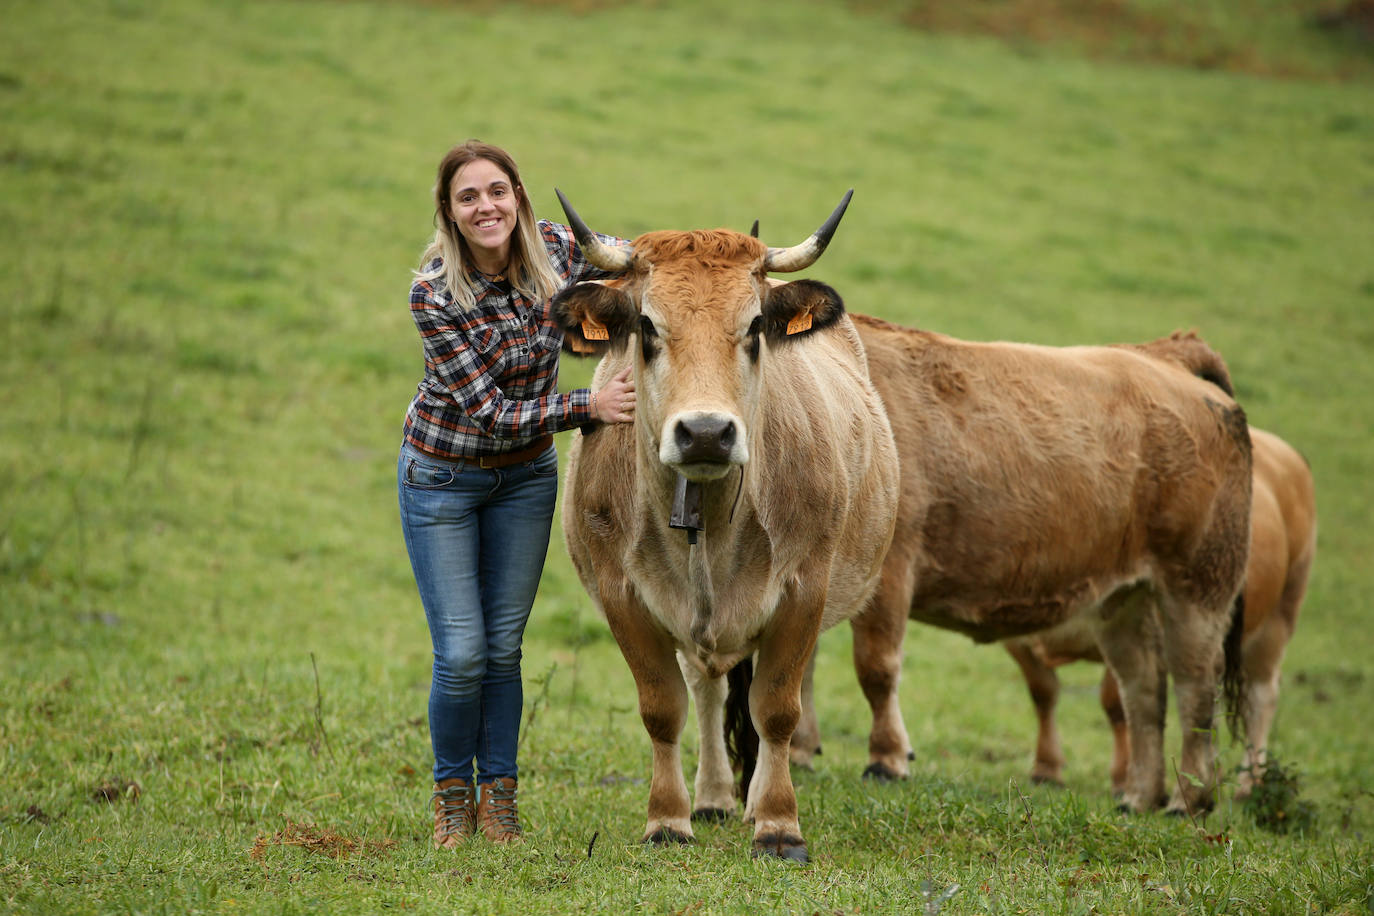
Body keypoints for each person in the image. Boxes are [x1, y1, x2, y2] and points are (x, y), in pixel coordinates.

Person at [397, 140, 635, 849]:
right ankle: (451, 797)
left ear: (519, 195)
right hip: (442, 480)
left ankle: (500, 802)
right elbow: (490, 415)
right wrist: (587, 406)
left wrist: (696, 258)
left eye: (497, 191)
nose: (486, 206)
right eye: (468, 197)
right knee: (464, 651)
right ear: (449, 212)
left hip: (526, 480)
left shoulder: (558, 251)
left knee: (504, 649)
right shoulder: (434, 291)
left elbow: (631, 254)